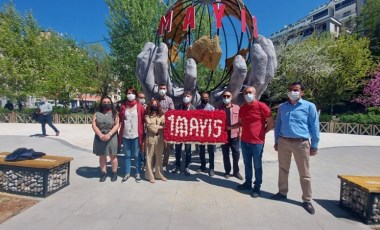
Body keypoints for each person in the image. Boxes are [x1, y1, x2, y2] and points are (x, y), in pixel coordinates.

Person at [272, 82, 320, 215]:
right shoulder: (282, 107)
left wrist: (314, 144)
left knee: (304, 173)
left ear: (302, 92)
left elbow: (314, 126)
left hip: (301, 143)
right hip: (284, 141)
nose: (293, 91)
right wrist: (276, 141)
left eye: (296, 90)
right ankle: (282, 192)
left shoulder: (309, 106)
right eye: (291, 89)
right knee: (283, 169)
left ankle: (307, 199)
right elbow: (278, 125)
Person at [228, 86, 274, 198]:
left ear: (255, 93)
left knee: (257, 165)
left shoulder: (262, 106)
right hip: (244, 141)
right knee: (247, 164)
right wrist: (229, 127)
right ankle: (248, 184)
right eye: (245, 93)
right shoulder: (242, 108)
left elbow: (271, 123)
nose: (247, 94)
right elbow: (240, 123)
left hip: (257, 143)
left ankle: (257, 187)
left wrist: (262, 133)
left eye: (250, 92)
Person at [118, 87, 145, 183]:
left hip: (136, 135)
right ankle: (127, 173)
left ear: (136, 95)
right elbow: (120, 119)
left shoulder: (140, 106)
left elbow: (143, 120)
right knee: (127, 155)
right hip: (126, 135)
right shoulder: (123, 106)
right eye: (129, 93)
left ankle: (138, 173)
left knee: (137, 155)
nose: (130, 95)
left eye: (132, 93)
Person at [92, 96, 120, 182]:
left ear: (111, 103)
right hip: (99, 137)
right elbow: (93, 124)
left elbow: (117, 124)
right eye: (104, 102)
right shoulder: (97, 113)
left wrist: (109, 134)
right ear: (101, 103)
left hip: (112, 137)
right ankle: (103, 173)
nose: (106, 104)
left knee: (113, 156)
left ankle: (114, 173)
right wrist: (100, 134)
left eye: (108, 102)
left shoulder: (115, 113)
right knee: (102, 156)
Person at [218, 90, 243, 180]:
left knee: (236, 154)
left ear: (231, 97)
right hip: (223, 135)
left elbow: (240, 122)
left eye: (228, 96)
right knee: (225, 154)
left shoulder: (237, 108)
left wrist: (240, 132)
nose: (226, 98)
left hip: (234, 135)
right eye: (224, 96)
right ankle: (227, 172)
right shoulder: (219, 109)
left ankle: (236, 172)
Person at [171, 91, 196, 176]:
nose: (186, 97)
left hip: (188, 134)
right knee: (177, 150)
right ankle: (177, 165)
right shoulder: (178, 107)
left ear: (191, 97)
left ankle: (187, 167)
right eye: (185, 96)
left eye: (188, 96)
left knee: (188, 151)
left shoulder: (193, 109)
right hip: (179, 132)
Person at [144, 99, 167, 183]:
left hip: (160, 139)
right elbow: (149, 126)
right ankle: (149, 176)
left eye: (156, 104)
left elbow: (165, 124)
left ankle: (159, 174)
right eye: (153, 104)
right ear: (150, 105)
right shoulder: (147, 116)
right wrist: (160, 127)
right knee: (149, 157)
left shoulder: (162, 116)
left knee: (159, 157)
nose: (154, 106)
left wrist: (158, 126)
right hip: (150, 138)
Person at [196, 92, 216, 176]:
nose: (205, 98)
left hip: (210, 133)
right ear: (201, 98)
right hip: (201, 133)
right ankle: (202, 166)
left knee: (211, 151)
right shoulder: (197, 108)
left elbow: (215, 120)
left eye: (206, 97)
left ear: (209, 98)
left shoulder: (212, 108)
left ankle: (211, 168)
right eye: (204, 97)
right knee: (202, 151)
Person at [156, 83, 175, 170]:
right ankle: (157, 162)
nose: (162, 90)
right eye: (160, 88)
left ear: (166, 89)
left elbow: (172, 112)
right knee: (158, 145)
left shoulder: (169, 100)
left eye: (163, 88)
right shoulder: (155, 99)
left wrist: (163, 112)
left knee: (167, 147)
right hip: (157, 126)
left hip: (167, 126)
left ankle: (165, 163)